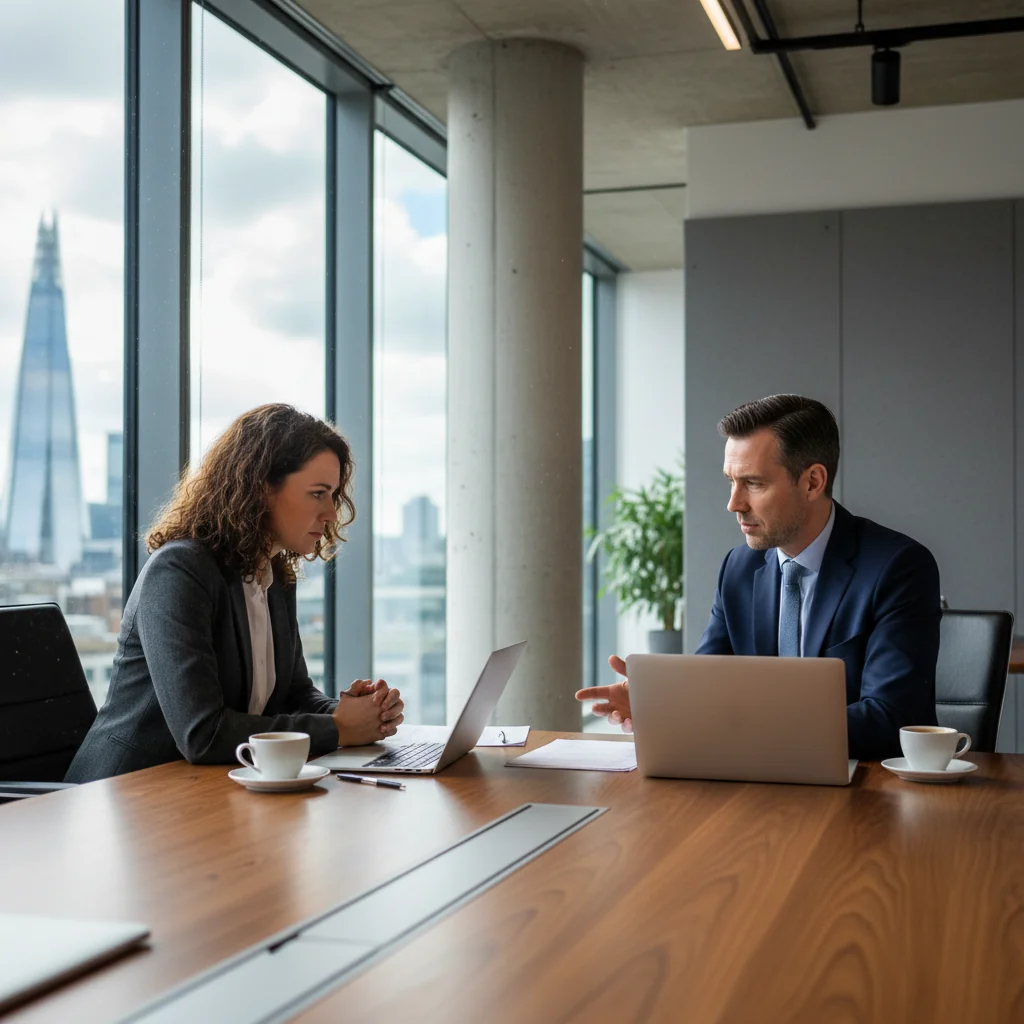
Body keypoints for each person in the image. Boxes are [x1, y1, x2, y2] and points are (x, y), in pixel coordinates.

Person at [577, 394, 941, 761]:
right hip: (757, 784)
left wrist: (740, 726)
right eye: (731, 482)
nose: (734, 503)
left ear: (813, 482)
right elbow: (709, 687)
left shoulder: (898, 567)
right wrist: (659, 706)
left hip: (865, 791)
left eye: (753, 483)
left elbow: (889, 720)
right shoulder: (739, 568)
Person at [66, 404, 404, 782]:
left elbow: (293, 694)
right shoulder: (179, 571)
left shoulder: (274, 575)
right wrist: (338, 729)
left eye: (334, 495)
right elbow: (203, 734)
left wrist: (353, 713)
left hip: (203, 792)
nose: (330, 513)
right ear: (261, 488)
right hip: (123, 795)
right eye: (318, 493)